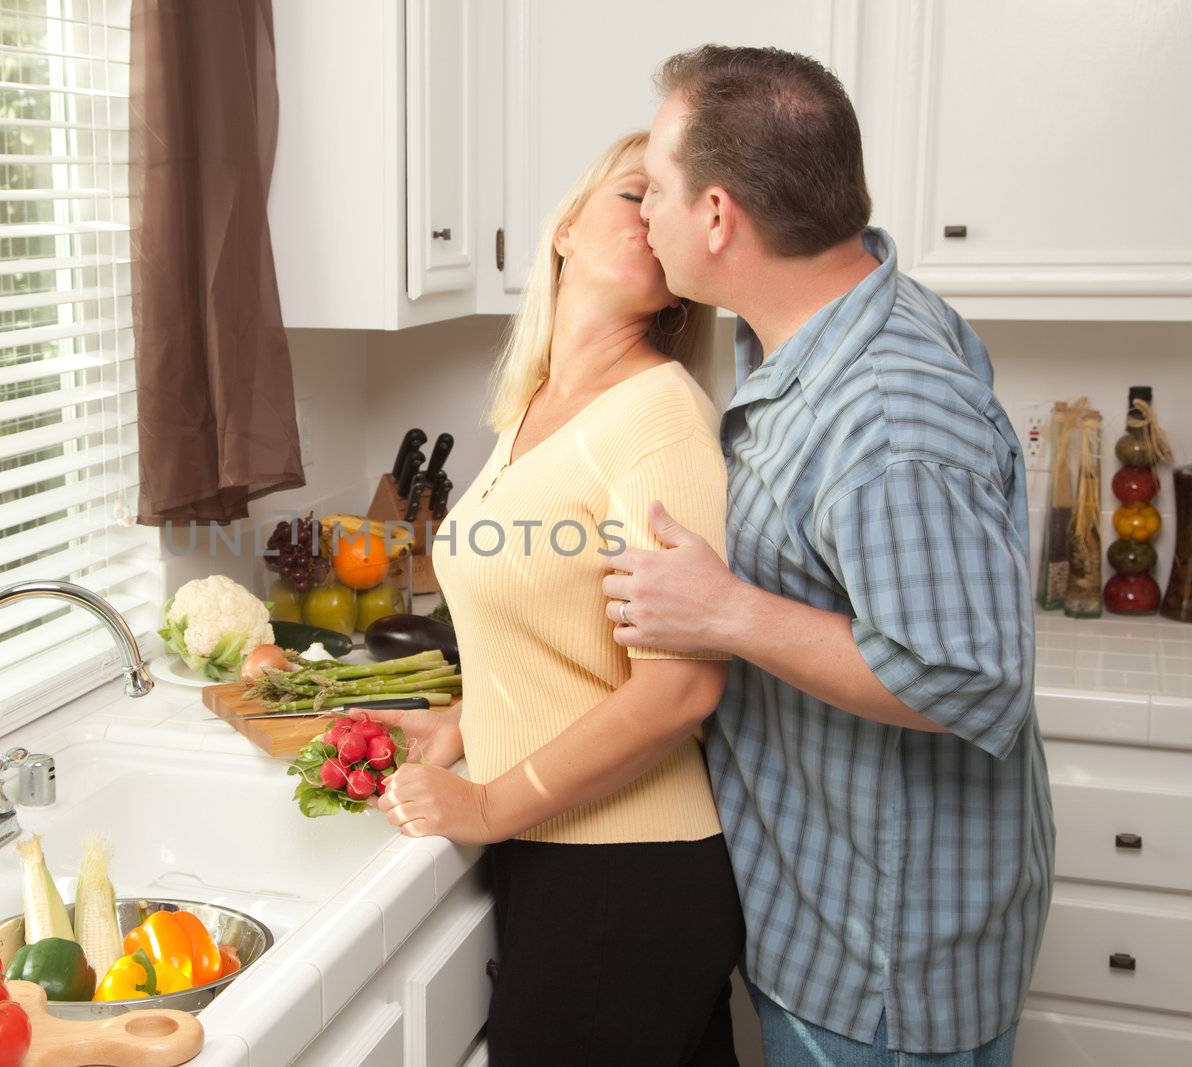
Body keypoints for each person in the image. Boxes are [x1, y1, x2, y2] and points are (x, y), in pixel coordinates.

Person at [602, 45, 1055, 1065]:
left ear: (718, 217)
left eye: (656, 193)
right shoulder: (824, 326)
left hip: (883, 960)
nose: (644, 218)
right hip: (823, 910)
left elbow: (967, 676)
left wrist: (723, 613)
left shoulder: (888, 413)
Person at [359, 131, 743, 1065]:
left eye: (673, 202)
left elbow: (681, 688)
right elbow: (558, 642)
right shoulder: (531, 405)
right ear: (565, 227)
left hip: (626, 880)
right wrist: (463, 721)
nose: (652, 219)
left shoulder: (658, 415)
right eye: (632, 194)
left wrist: (487, 803)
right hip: (563, 863)